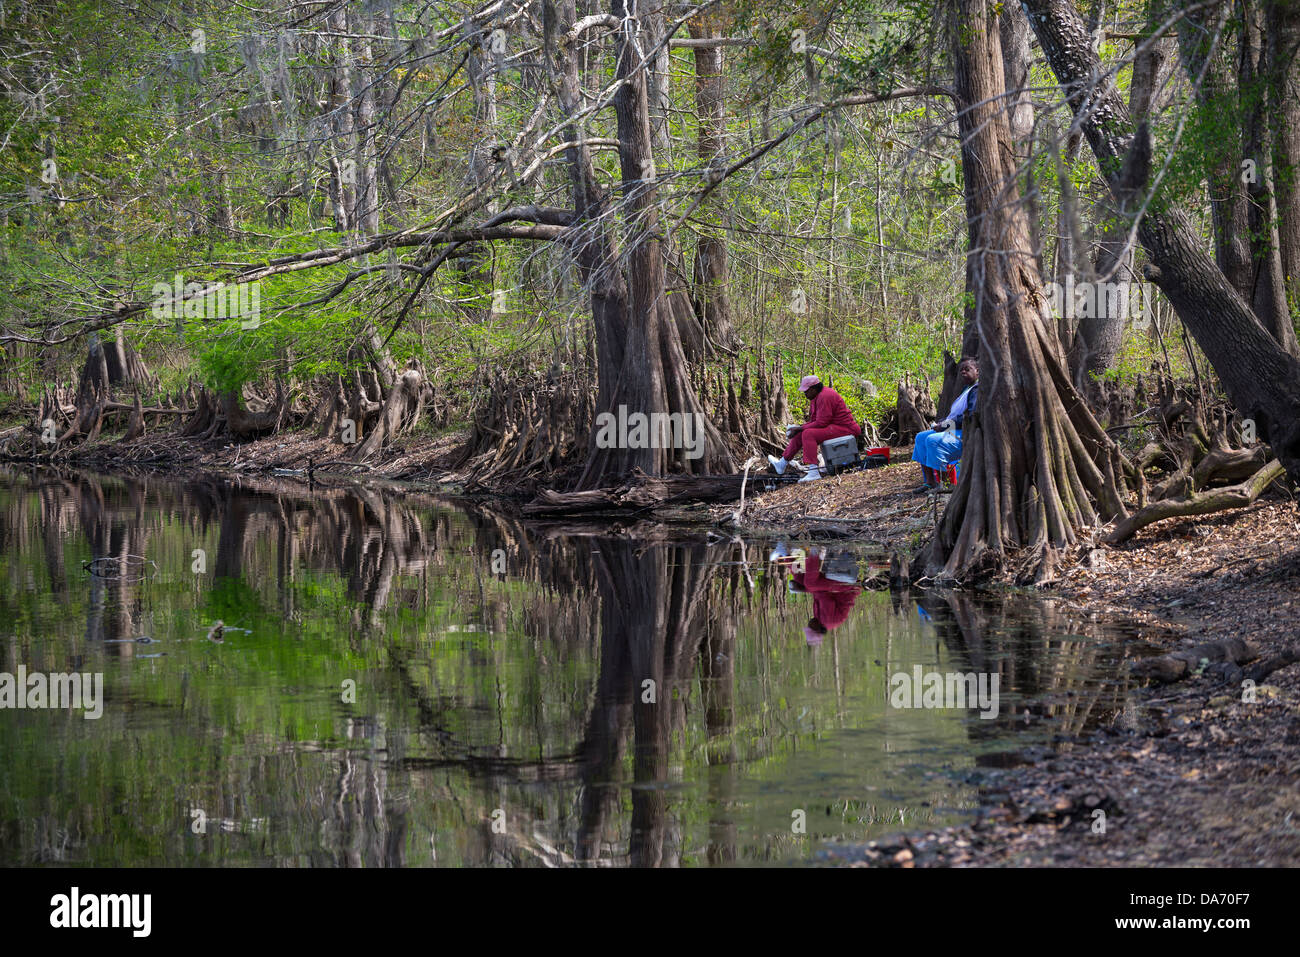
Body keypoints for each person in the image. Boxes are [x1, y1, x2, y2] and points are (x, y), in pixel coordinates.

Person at [767, 375, 863, 483]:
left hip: (846, 428)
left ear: (813, 389)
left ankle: (813, 472)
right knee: (801, 433)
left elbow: (822, 422)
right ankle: (782, 464)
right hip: (834, 426)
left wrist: (800, 428)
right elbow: (815, 420)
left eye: (806, 391)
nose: (804, 394)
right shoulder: (815, 398)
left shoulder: (825, 396)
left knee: (808, 434)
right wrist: (798, 429)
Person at [912, 357, 978, 493]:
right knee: (920, 437)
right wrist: (941, 423)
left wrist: (944, 426)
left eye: (967, 369)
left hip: (964, 433)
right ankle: (930, 482)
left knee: (933, 441)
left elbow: (970, 417)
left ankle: (945, 485)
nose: (963, 372)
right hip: (953, 429)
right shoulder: (966, 390)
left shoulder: (977, 390)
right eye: (961, 370)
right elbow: (954, 415)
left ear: (978, 371)